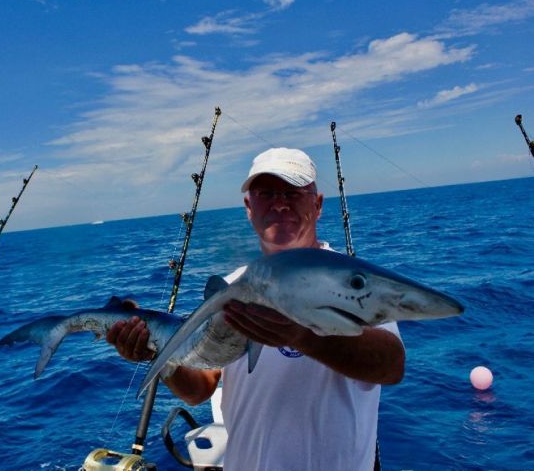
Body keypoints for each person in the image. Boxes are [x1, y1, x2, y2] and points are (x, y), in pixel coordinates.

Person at [107, 147, 405, 470]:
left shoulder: (352, 282)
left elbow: (391, 365)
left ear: (317, 205)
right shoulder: (230, 289)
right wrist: (158, 355)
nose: (280, 203)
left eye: (293, 192)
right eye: (266, 194)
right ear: (249, 207)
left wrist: (303, 333)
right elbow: (200, 388)